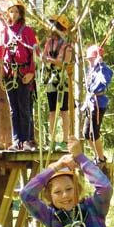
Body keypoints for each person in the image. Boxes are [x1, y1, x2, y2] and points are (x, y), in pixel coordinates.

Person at [0, 0, 38, 151]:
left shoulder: (27, 32)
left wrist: (31, 73)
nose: (13, 14)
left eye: (16, 11)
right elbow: (0, 54)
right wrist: (1, 74)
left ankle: (26, 140)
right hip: (9, 74)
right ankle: (16, 141)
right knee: (14, 110)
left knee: (24, 109)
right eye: (11, 11)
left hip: (23, 74)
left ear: (20, 14)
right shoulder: (5, 31)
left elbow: (34, 53)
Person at [42, 15, 74, 151]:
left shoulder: (67, 44)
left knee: (64, 110)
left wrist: (50, 59)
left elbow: (65, 63)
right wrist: (46, 59)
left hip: (62, 80)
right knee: (52, 110)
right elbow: (44, 57)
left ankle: (65, 139)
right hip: (51, 78)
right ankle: (52, 139)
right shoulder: (49, 42)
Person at [81, 44, 113, 164]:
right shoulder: (91, 70)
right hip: (90, 103)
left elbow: (105, 80)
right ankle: (99, 156)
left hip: (98, 103)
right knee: (86, 133)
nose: (89, 62)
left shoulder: (103, 70)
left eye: (91, 59)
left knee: (94, 132)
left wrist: (100, 65)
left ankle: (100, 158)